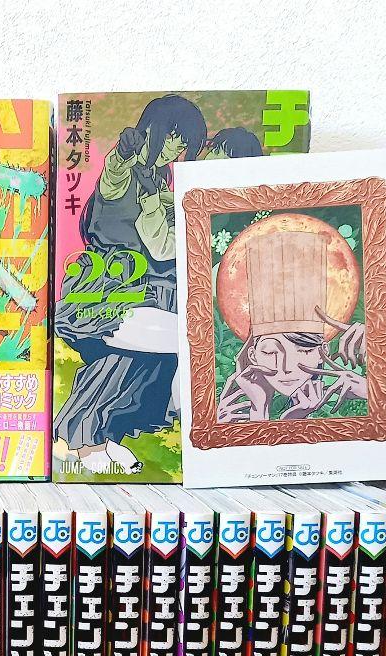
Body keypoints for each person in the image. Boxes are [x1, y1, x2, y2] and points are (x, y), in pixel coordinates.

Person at [54, 95, 209, 473]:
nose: (175, 146)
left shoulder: (161, 178)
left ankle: (105, 436)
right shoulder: (129, 166)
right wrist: (123, 156)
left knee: (150, 360)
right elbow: (113, 180)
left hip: (142, 291)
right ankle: (81, 438)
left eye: (182, 141)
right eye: (171, 135)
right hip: (105, 291)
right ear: (152, 128)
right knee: (137, 351)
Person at [216, 230, 368, 424]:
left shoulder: (353, 398)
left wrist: (372, 383)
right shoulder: (232, 413)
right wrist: (258, 413)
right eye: (270, 352)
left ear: (323, 352)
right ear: (253, 355)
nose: (286, 368)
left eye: (304, 350)